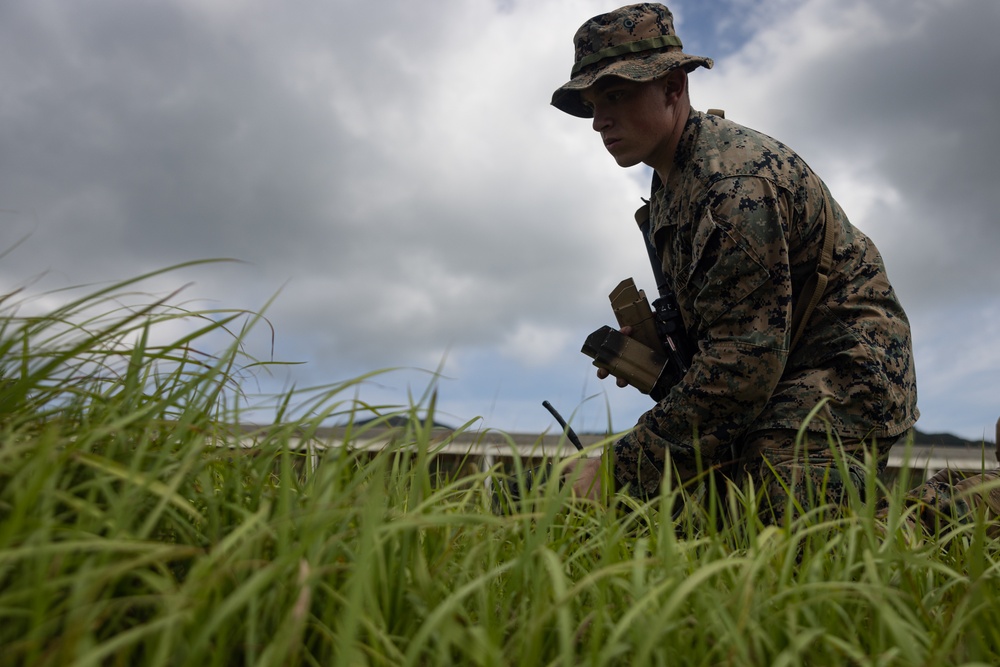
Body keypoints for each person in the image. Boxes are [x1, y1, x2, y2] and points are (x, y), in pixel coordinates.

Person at [551, 3, 921, 522]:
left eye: (615, 95)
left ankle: (969, 510)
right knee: (704, 506)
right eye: (593, 104)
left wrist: (616, 468)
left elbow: (738, 373)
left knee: (782, 515)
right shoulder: (671, 183)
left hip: (845, 369)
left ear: (674, 88)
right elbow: (730, 327)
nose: (600, 121)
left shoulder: (732, 187)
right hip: (780, 365)